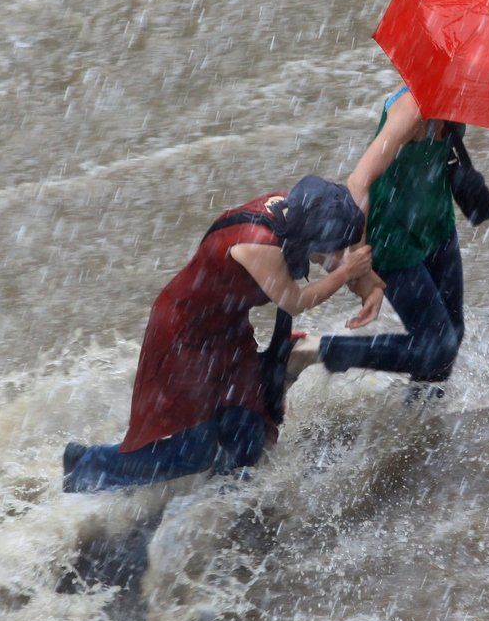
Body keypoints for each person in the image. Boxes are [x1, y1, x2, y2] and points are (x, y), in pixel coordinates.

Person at [63, 177, 369, 493]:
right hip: (184, 336)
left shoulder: (295, 209)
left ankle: (213, 508)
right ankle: (86, 465)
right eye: (336, 247)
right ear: (313, 236)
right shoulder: (258, 242)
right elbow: (294, 300)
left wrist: (367, 282)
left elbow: (336, 253)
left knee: (248, 429)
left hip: (226, 329)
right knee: (193, 452)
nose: (341, 254)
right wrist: (348, 272)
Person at [292, 87, 466, 387]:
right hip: (392, 239)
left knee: (450, 336)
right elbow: (358, 183)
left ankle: (418, 425)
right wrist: (362, 267)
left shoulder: (460, 97)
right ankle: (312, 350)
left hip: (437, 226)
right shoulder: (411, 110)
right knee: (438, 348)